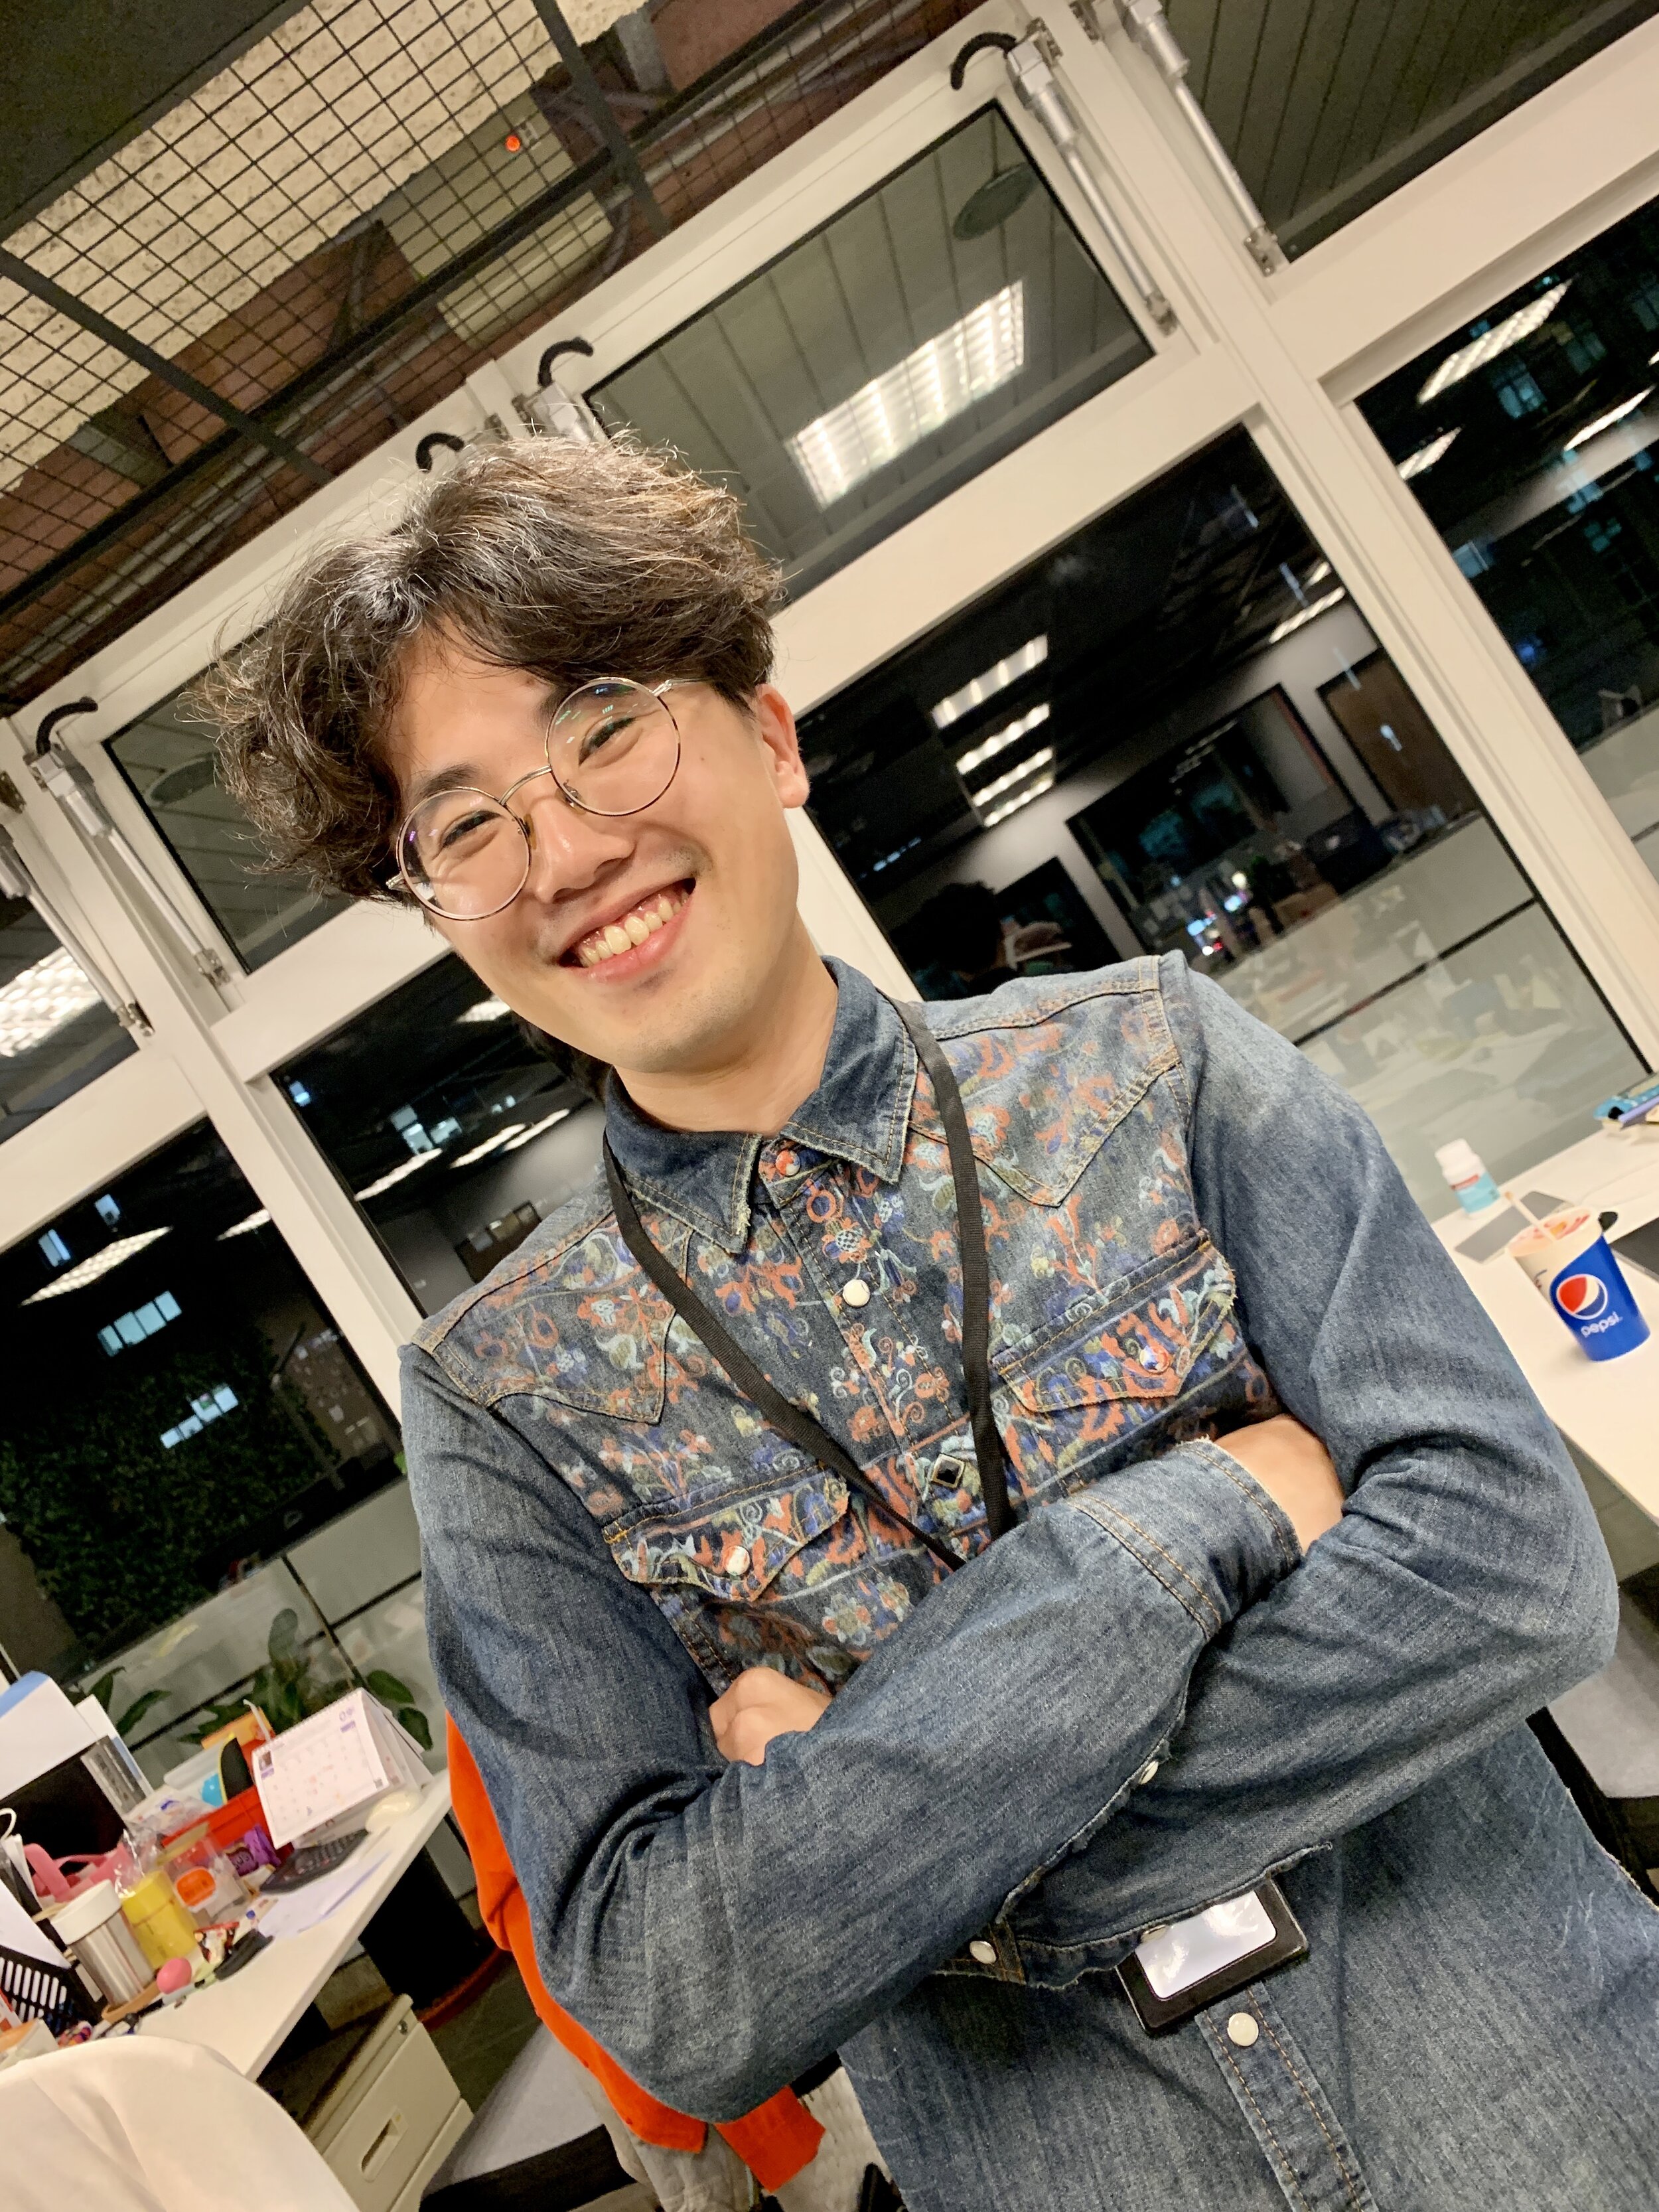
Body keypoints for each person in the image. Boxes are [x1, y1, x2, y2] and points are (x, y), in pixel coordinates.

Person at [206, 440, 1659, 2211]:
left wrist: (878, 1841)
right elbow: (674, 1993)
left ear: (766, 734)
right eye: (468, 825)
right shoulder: (503, 1401)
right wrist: (1192, 1519)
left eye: (604, 731)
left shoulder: (1156, 1064)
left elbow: (1509, 1574)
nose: (568, 847)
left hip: (1557, 2110)